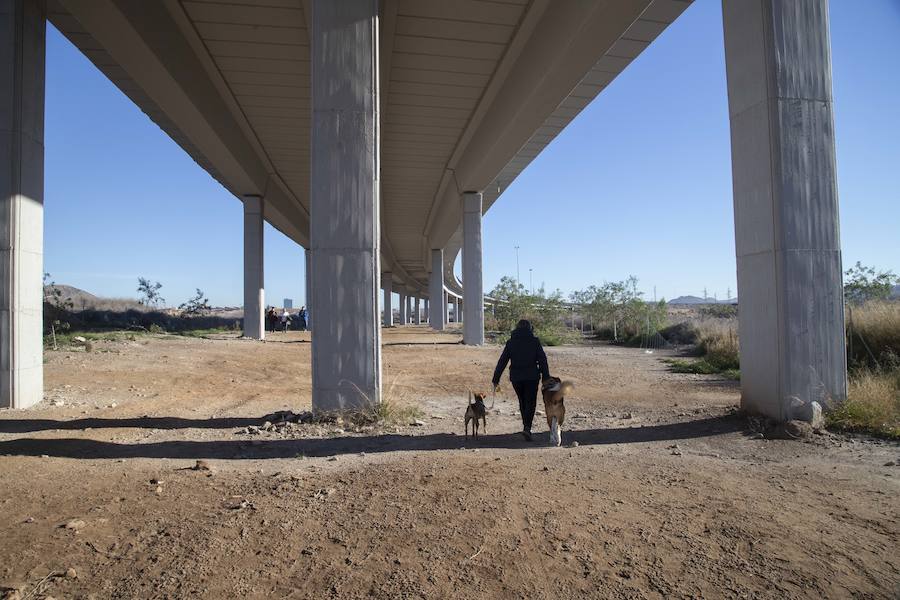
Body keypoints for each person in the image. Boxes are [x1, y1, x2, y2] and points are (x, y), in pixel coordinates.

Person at [492, 319, 550, 442]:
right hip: (532, 377)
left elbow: (502, 361)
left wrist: (495, 379)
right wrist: (546, 377)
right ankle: (527, 427)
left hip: (516, 378)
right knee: (531, 402)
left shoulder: (511, 342)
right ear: (530, 329)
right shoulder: (535, 342)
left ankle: (526, 426)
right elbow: (542, 360)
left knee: (522, 401)